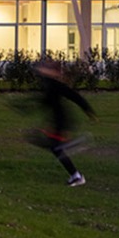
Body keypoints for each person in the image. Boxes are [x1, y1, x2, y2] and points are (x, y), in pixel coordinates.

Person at [26, 58, 95, 186]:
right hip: (56, 120)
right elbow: (45, 102)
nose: (41, 70)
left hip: (61, 121)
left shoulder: (56, 84)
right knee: (49, 144)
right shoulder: (47, 83)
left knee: (55, 147)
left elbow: (74, 96)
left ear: (53, 72)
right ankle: (74, 171)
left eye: (45, 68)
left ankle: (75, 165)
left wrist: (87, 109)